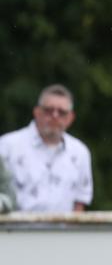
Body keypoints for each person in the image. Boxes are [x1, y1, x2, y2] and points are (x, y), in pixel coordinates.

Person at [0, 84, 93, 212]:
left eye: (62, 112)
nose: (55, 116)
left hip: (63, 230)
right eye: (49, 110)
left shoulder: (80, 152)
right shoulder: (7, 146)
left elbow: (80, 203)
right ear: (37, 112)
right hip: (15, 230)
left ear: (70, 118)